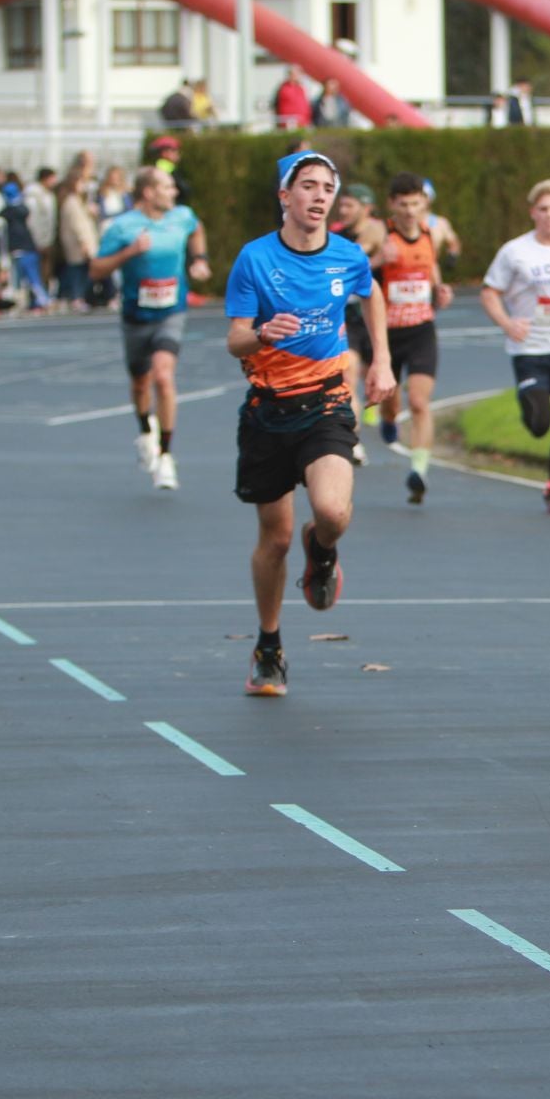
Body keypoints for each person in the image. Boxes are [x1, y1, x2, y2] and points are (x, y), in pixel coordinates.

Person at [226, 151, 395, 696]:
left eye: (328, 187)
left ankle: (320, 551)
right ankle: (269, 646)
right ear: (285, 196)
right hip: (268, 412)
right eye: (308, 186)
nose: (319, 196)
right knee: (273, 542)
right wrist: (262, 334)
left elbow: (372, 297)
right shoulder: (254, 259)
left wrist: (384, 363)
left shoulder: (347, 257)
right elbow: (234, 339)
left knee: (332, 511)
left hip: (326, 403)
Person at [89, 167, 210, 491]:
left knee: (163, 375)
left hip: (171, 311)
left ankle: (166, 455)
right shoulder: (123, 227)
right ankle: (145, 430)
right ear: (148, 193)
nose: (173, 192)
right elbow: (96, 269)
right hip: (136, 315)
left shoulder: (181, 216)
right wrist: (130, 252)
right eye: (167, 187)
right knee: (141, 383)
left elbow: (196, 229)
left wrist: (199, 258)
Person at [481, 178, 550, 514]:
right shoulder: (515, 251)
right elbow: (489, 291)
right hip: (530, 350)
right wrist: (507, 323)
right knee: (539, 425)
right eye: (543, 209)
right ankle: (528, 398)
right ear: (533, 213)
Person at [374, 172, 453, 503]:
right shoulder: (381, 236)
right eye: (403, 205)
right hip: (388, 332)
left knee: (420, 402)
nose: (409, 211)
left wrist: (440, 289)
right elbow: (351, 272)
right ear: (392, 204)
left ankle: (418, 471)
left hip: (421, 329)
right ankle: (388, 418)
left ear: (424, 204)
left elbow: (431, 268)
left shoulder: (430, 233)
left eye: (415, 204)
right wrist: (378, 260)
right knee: (390, 401)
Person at [332, 182, 390, 465]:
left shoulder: (381, 230)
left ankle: (380, 409)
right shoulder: (337, 236)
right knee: (348, 377)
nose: (342, 211)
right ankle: (354, 441)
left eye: (349, 205)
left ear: (366, 208)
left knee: (379, 377)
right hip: (349, 317)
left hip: (379, 316)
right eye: (341, 205)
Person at [0, 179, 52, 312]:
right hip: (28, 247)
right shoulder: (24, 208)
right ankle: (36, 300)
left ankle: (42, 299)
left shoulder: (10, 211)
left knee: (28, 277)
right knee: (29, 276)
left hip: (20, 248)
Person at [57, 164, 100, 313]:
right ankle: (76, 297)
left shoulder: (77, 201)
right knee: (78, 271)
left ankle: (74, 297)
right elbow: (78, 225)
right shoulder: (72, 202)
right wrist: (84, 243)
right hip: (78, 244)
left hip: (79, 242)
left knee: (79, 270)